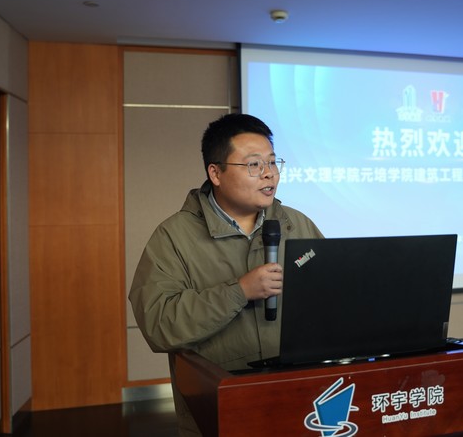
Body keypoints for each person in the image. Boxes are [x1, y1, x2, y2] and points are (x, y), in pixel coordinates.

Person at [128, 113, 323, 436]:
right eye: (254, 164)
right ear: (215, 173)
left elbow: (328, 300)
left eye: (272, 162)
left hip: (299, 400)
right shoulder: (174, 236)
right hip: (221, 407)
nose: (269, 174)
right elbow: (159, 324)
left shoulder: (296, 224)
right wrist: (239, 291)